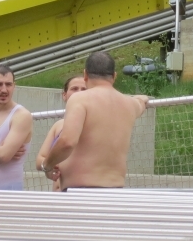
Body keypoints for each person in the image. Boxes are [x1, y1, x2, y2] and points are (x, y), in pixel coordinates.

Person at [39, 51, 149, 190]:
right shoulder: (129, 104)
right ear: (114, 76)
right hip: (115, 190)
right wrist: (142, 98)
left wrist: (47, 166)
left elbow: (67, 142)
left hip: (81, 190)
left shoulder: (80, 99)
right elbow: (142, 101)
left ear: (85, 75)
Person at [35, 74, 88, 191]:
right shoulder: (58, 126)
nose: (79, 92)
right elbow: (39, 160)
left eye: (84, 89)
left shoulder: (93, 124)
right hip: (58, 194)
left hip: (81, 193)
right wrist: (49, 166)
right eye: (74, 89)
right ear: (64, 95)